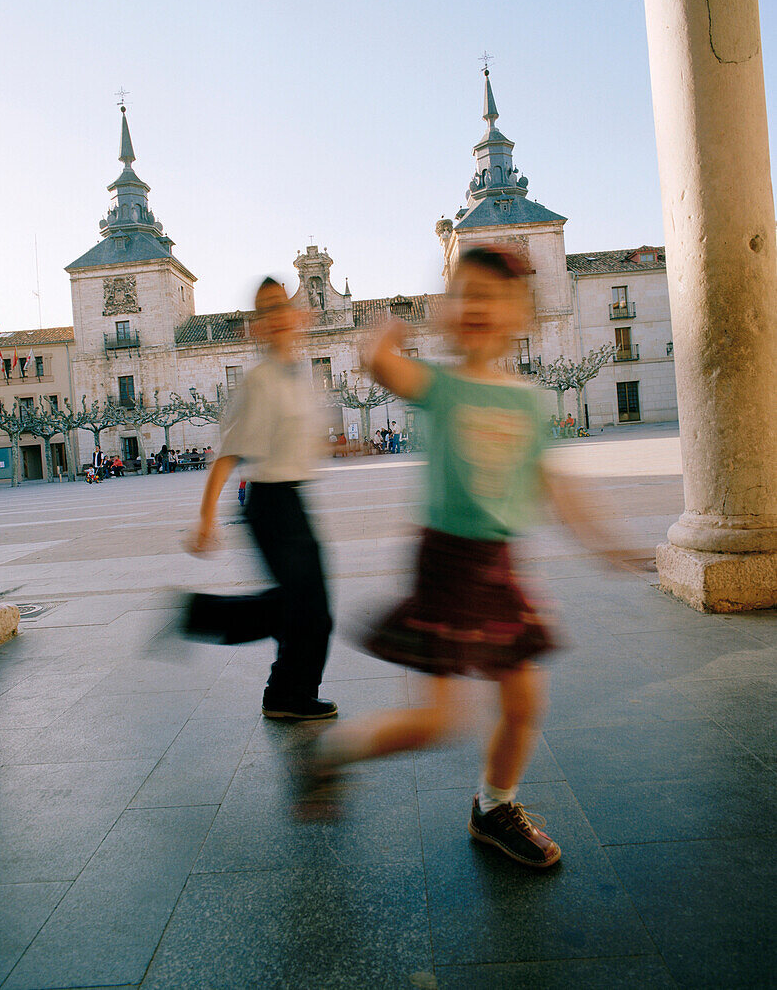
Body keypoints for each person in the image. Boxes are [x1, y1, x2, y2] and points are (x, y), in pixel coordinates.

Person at [294, 246, 632, 868]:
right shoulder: (442, 385)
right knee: (438, 721)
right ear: (446, 313)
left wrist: (603, 540)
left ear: (521, 317)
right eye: (463, 291)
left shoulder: (530, 401)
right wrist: (382, 340)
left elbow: (550, 482)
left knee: (526, 701)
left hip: (498, 565)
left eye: (493, 294)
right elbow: (384, 367)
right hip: (446, 564)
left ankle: (495, 804)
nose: (476, 303)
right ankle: (335, 753)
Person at [181, 277, 336, 721]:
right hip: (269, 504)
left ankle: (288, 692)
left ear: (296, 314)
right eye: (266, 311)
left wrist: (343, 449)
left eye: (281, 306)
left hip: (294, 500)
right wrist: (205, 520)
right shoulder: (257, 381)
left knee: (310, 610)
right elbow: (227, 455)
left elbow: (297, 440)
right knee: (303, 607)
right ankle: (204, 617)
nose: (277, 317)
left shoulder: (294, 374)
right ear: (258, 327)